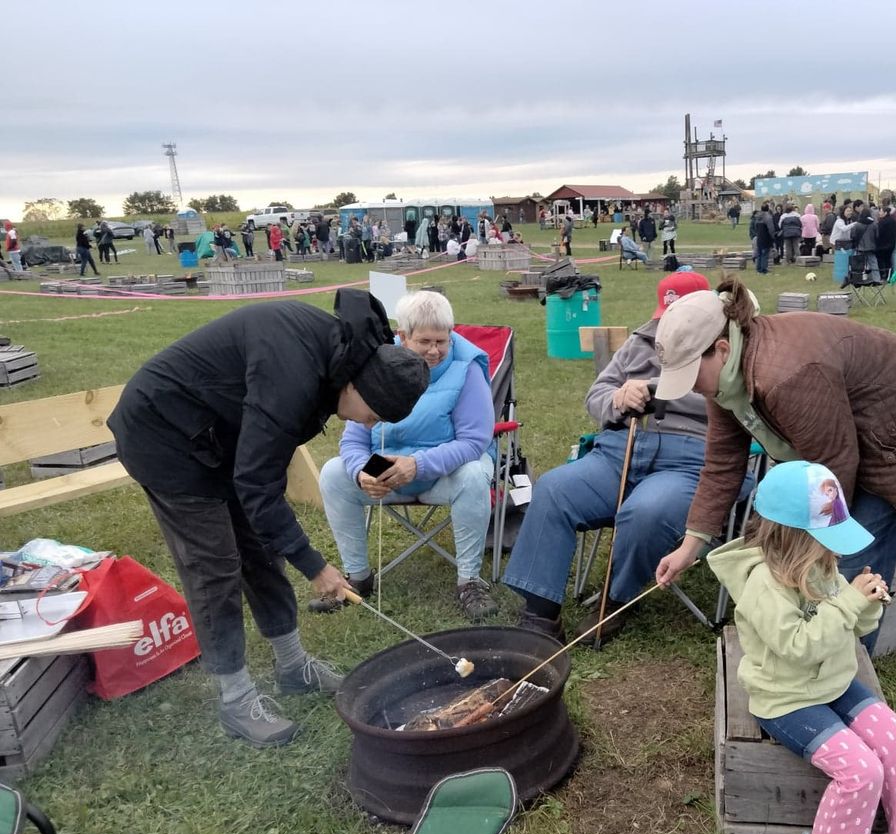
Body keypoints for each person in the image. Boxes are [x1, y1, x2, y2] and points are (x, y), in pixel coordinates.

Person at [107, 291, 428, 748]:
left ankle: (293, 667)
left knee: (260, 548)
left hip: (220, 434)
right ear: (356, 386)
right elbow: (257, 485)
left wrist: (291, 548)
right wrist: (315, 566)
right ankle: (236, 700)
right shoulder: (294, 374)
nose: (366, 422)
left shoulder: (339, 357)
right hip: (162, 434)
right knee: (214, 564)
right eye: (372, 414)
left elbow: (261, 480)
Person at [652, 280, 896, 655]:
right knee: (805, 554)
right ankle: (812, 661)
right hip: (844, 437)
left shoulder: (787, 375)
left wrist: (817, 544)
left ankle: (848, 675)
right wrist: (690, 545)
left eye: (691, 375)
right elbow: (722, 464)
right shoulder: (723, 379)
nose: (692, 389)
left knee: (852, 560)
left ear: (722, 349)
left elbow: (834, 467)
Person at [708, 460, 896, 834]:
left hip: (834, 684)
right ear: (794, 538)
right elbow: (799, 646)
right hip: (786, 699)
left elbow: (853, 628)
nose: (834, 551)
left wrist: (869, 602)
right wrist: (846, 605)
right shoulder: (763, 585)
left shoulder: (820, 566)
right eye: (826, 538)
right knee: (861, 770)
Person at [505, 272, 721, 645]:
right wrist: (617, 399)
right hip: (620, 449)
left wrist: (656, 390)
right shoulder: (641, 340)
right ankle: (540, 616)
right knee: (555, 489)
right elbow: (597, 394)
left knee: (647, 511)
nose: (665, 328)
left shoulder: (725, 351)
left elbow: (731, 401)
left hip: (688, 458)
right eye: (663, 318)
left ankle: (617, 601)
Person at [317, 291, 498, 621]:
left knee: (474, 474)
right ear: (402, 336)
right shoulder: (380, 366)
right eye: (424, 341)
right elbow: (354, 439)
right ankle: (357, 577)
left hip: (444, 469)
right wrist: (363, 472)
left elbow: (474, 441)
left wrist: (418, 465)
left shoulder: (467, 369)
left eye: (442, 341)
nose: (434, 350)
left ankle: (470, 581)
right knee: (332, 472)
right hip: (387, 467)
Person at [873, 206, 896, 277]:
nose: (879, 213)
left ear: (885, 213)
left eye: (881, 211)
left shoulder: (881, 222)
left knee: (880, 260)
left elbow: (878, 233)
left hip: (881, 245)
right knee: (888, 261)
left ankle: (882, 275)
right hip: (891, 244)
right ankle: (889, 275)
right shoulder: (894, 221)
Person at [753, 202, 776, 274]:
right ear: (768, 209)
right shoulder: (768, 217)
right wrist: (773, 237)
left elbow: (755, 227)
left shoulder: (757, 217)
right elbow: (771, 229)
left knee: (759, 254)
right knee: (765, 254)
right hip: (766, 238)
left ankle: (758, 269)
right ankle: (763, 270)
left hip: (759, 238)